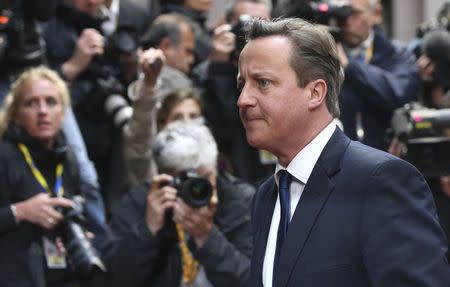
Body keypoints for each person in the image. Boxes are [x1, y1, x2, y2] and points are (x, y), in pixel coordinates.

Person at [237, 17, 450, 287]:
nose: (243, 99)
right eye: (241, 84)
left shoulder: (380, 181)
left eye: (262, 82)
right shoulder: (265, 197)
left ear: (315, 92)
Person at [107, 120, 254, 287]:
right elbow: (115, 279)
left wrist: (206, 237)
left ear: (216, 168)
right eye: (186, 180)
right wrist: (147, 230)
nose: (197, 188)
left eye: (206, 178)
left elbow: (252, 280)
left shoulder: (240, 200)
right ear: (165, 175)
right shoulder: (141, 202)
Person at [0, 66, 105, 286]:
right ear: (17, 114)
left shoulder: (69, 160)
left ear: (63, 111)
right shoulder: (5, 156)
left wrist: (74, 235)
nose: (42, 111)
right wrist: (19, 212)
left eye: (51, 102)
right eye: (31, 103)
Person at [333, 0, 420, 150]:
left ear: (376, 14)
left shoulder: (396, 53)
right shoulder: (322, 55)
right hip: (337, 158)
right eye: (341, 13)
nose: (346, 20)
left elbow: (398, 94)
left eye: (354, 13)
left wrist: (350, 66)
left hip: (384, 155)